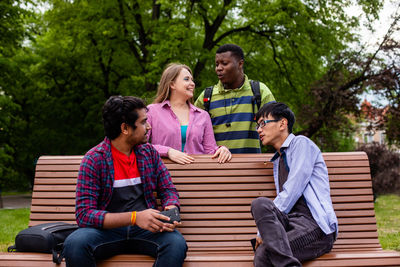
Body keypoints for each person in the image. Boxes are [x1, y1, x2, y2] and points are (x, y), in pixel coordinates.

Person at [63, 96, 187, 267]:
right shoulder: (94, 159)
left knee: (176, 244)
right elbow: (84, 215)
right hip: (106, 233)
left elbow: (167, 189)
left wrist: (171, 209)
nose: (149, 127)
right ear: (125, 128)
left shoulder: (148, 153)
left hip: (146, 231)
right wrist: (135, 217)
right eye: (144, 122)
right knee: (75, 244)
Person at [251, 102, 338, 266]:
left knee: (264, 255)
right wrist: (262, 230)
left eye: (263, 123)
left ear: (282, 123)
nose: (259, 130)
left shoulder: (301, 144)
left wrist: (261, 233)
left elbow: (292, 191)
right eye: (257, 126)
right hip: (291, 225)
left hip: (315, 227)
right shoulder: (278, 160)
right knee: (260, 204)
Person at [194, 44, 275, 153]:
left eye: (224, 63)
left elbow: (276, 127)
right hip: (215, 166)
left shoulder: (259, 91)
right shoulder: (206, 96)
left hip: (251, 166)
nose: (218, 68)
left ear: (240, 64)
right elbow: (191, 132)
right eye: (217, 64)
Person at [147, 63, 232, 164]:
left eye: (192, 80)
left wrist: (221, 150)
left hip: (196, 175)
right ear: (172, 84)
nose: (192, 83)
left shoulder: (203, 115)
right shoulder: (152, 111)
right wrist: (168, 151)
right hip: (163, 174)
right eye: (187, 79)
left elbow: (210, 150)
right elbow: (140, 146)